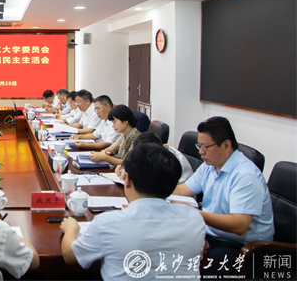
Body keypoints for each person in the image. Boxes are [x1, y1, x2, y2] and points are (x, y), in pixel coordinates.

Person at [60, 143, 205, 280]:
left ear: (127, 179)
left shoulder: (107, 223)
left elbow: (69, 256)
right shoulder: (194, 218)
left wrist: (71, 229)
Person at [173, 116, 274, 273]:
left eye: (205, 147)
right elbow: (182, 190)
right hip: (212, 234)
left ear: (226, 145)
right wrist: (147, 187)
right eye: (199, 146)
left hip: (244, 248)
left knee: (190, 267)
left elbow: (239, 225)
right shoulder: (210, 166)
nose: (200, 152)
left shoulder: (245, 175)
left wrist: (195, 213)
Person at [115, 132, 194, 184]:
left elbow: (153, 184)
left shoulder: (172, 162)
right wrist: (123, 167)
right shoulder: (157, 152)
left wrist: (129, 174)